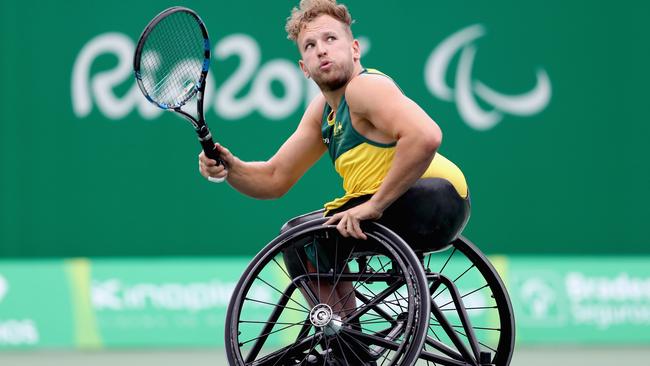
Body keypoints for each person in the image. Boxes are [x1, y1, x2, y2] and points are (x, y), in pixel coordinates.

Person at [199, 0, 470, 363]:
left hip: (432, 197)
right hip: (415, 203)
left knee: (301, 239)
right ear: (303, 68)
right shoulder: (322, 114)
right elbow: (274, 179)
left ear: (354, 48)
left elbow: (426, 136)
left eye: (331, 39)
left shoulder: (364, 89)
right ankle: (347, 343)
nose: (321, 49)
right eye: (310, 46)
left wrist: (374, 206)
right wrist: (230, 168)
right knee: (303, 236)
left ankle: (345, 348)